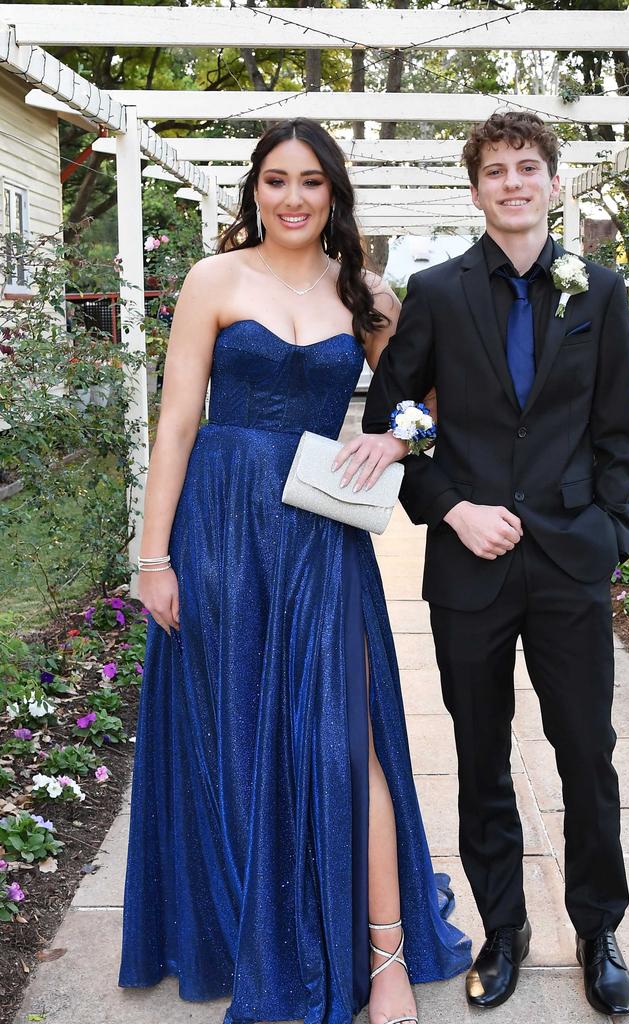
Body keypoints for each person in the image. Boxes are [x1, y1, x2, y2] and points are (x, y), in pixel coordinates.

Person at [118, 117, 471, 1024]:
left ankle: (386, 956)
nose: (292, 198)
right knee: (232, 727)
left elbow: (433, 409)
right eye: (276, 180)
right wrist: (153, 557)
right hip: (221, 529)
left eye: (311, 181)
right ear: (254, 190)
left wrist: (394, 440)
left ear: (333, 193)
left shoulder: (368, 296)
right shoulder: (212, 280)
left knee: (343, 739)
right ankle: (252, 923)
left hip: (318, 538)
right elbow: (176, 426)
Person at [342, 111, 629, 1017]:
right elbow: (396, 419)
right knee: (480, 758)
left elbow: (615, 431)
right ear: (476, 189)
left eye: (528, 167)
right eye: (496, 171)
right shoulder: (434, 291)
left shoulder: (599, 291)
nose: (513, 182)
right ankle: (503, 930)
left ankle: (599, 931)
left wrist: (611, 535)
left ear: (555, 182)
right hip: (470, 562)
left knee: (586, 751)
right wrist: (451, 507)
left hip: (571, 560)